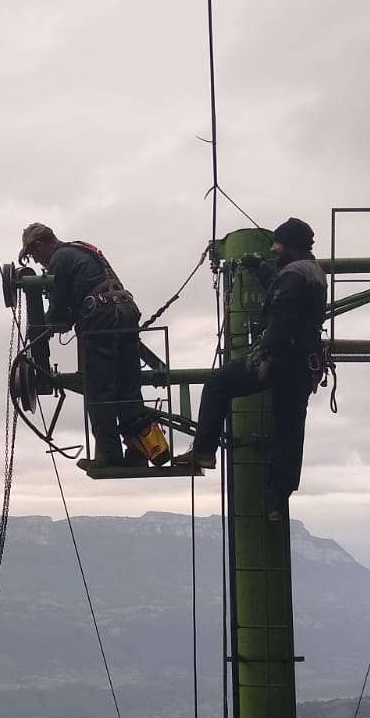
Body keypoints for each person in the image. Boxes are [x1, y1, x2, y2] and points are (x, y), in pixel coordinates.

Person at [180, 216, 327, 514]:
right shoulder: (311, 271)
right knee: (289, 427)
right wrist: (261, 269)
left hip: (281, 359)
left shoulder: (294, 275)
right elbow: (281, 287)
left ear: (290, 245)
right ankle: (278, 495)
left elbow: (282, 313)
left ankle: (204, 451)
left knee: (219, 383)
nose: (273, 249)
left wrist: (263, 353)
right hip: (303, 364)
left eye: (277, 244)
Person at [19, 222, 160, 469]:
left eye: (34, 255)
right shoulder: (82, 250)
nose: (39, 262)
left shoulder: (60, 258)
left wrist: (42, 329)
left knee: (98, 390)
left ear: (40, 245)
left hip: (102, 318)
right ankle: (141, 451)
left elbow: (60, 312)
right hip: (126, 311)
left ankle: (109, 455)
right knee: (128, 388)